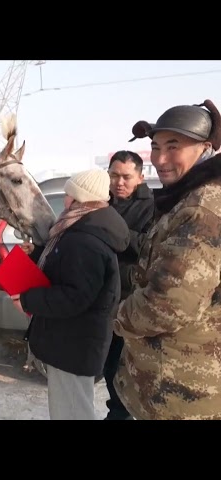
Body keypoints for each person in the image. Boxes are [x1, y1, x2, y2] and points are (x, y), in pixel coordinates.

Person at [114, 99, 221, 420]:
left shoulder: (202, 207)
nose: (160, 159)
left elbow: (168, 306)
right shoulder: (188, 198)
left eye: (174, 146)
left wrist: (117, 317)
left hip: (183, 393)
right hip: (169, 385)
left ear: (206, 148)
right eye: (156, 147)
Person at [11, 169, 130, 420]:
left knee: (72, 412)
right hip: (74, 342)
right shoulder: (85, 229)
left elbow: (73, 297)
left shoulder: (85, 239)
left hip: (73, 346)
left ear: (79, 198)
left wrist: (27, 300)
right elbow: (67, 270)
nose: (64, 200)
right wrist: (36, 254)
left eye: (68, 194)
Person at [102, 151, 155, 420]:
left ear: (140, 177)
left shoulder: (152, 206)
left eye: (126, 177)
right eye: (114, 175)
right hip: (99, 300)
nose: (119, 182)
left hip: (129, 302)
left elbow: (147, 246)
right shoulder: (100, 201)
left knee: (123, 373)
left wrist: (111, 227)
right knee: (106, 370)